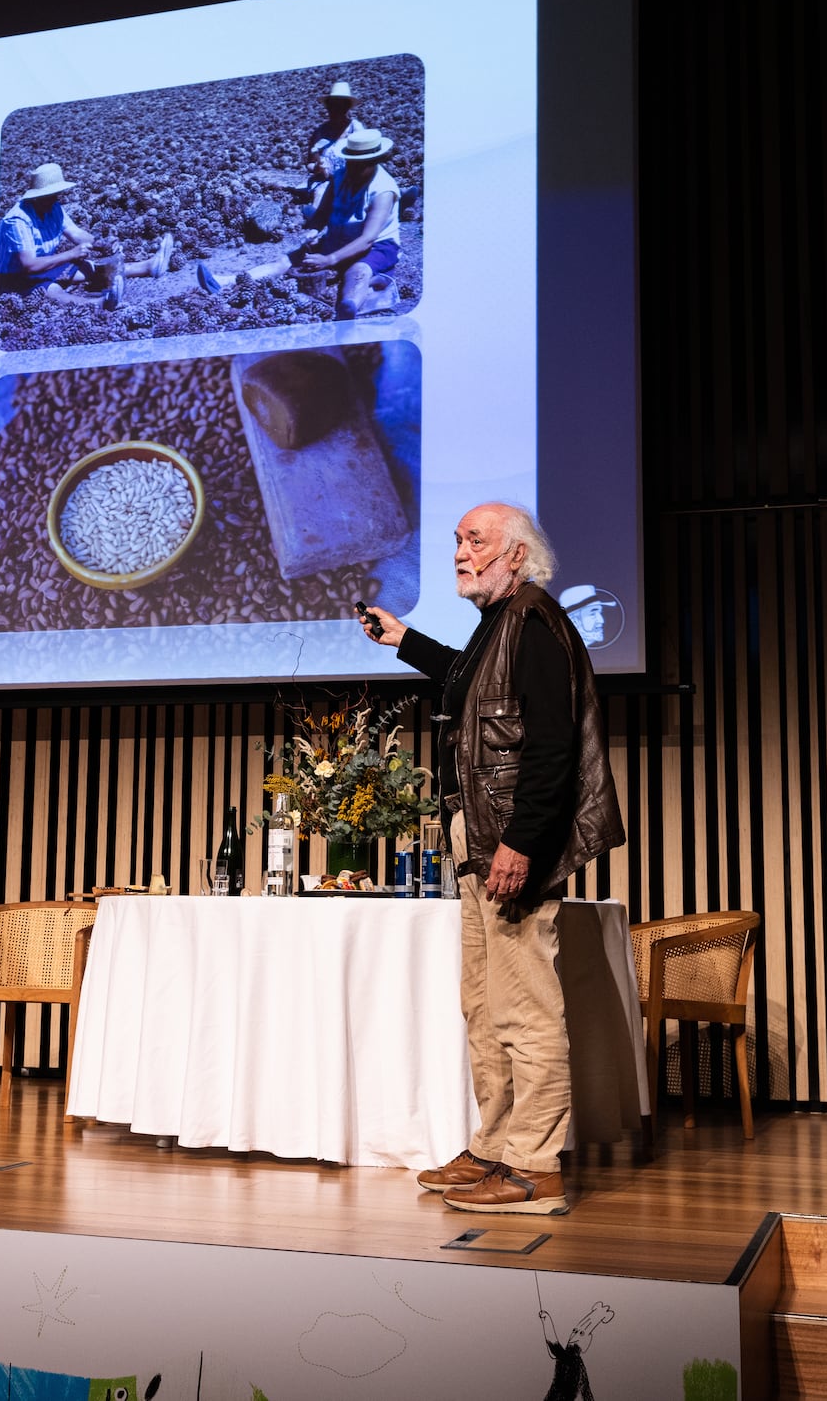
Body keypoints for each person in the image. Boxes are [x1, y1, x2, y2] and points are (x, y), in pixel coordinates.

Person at [359, 503, 623, 1215]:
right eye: (455, 541)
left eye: (474, 540)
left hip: (510, 842)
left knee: (525, 1008)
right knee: (485, 1006)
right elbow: (463, 684)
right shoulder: (498, 628)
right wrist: (405, 639)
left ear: (516, 554)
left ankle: (534, 1164)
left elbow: (553, 748)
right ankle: (496, 1148)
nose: (458, 552)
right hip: (480, 838)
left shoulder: (535, 624)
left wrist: (523, 840)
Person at [196, 126, 402, 319]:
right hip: (339, 238)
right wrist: (312, 232)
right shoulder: (340, 177)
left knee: (358, 271)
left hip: (374, 246)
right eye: (351, 162)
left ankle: (349, 308)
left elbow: (367, 239)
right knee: (286, 260)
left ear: (373, 161)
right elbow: (322, 214)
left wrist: (329, 259)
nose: (354, 168)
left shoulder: (383, 190)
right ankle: (227, 282)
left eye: (360, 164)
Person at [0, 162, 172, 310]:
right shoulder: (17, 221)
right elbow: (29, 265)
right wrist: (71, 254)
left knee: (90, 269)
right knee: (51, 290)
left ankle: (148, 266)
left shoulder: (52, 207)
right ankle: (99, 304)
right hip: (12, 278)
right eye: (51, 194)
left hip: (44, 265)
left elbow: (76, 233)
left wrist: (102, 243)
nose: (56, 197)